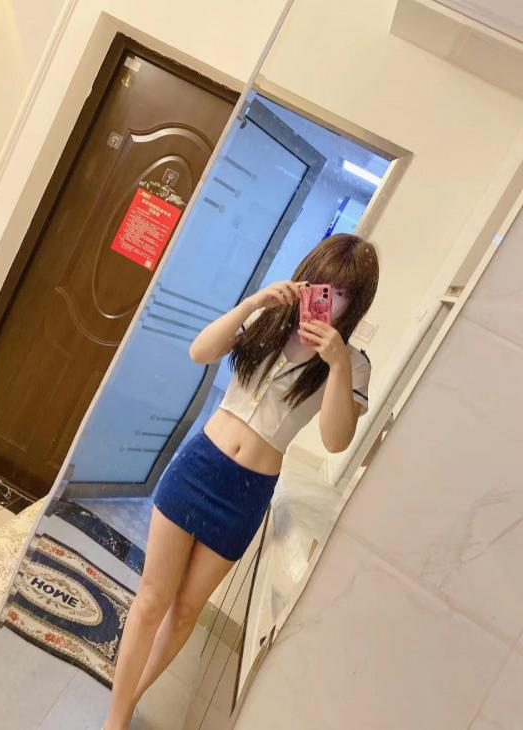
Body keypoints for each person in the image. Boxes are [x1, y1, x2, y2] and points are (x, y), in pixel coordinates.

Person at [102, 232, 379, 729]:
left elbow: (336, 440)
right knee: (152, 599)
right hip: (199, 467)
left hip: (247, 494)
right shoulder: (268, 320)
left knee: (186, 611)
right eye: (321, 284)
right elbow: (199, 352)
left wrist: (337, 364)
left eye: (340, 293)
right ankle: (115, 720)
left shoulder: (352, 363)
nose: (327, 299)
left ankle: (132, 697)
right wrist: (253, 303)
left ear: (355, 302)